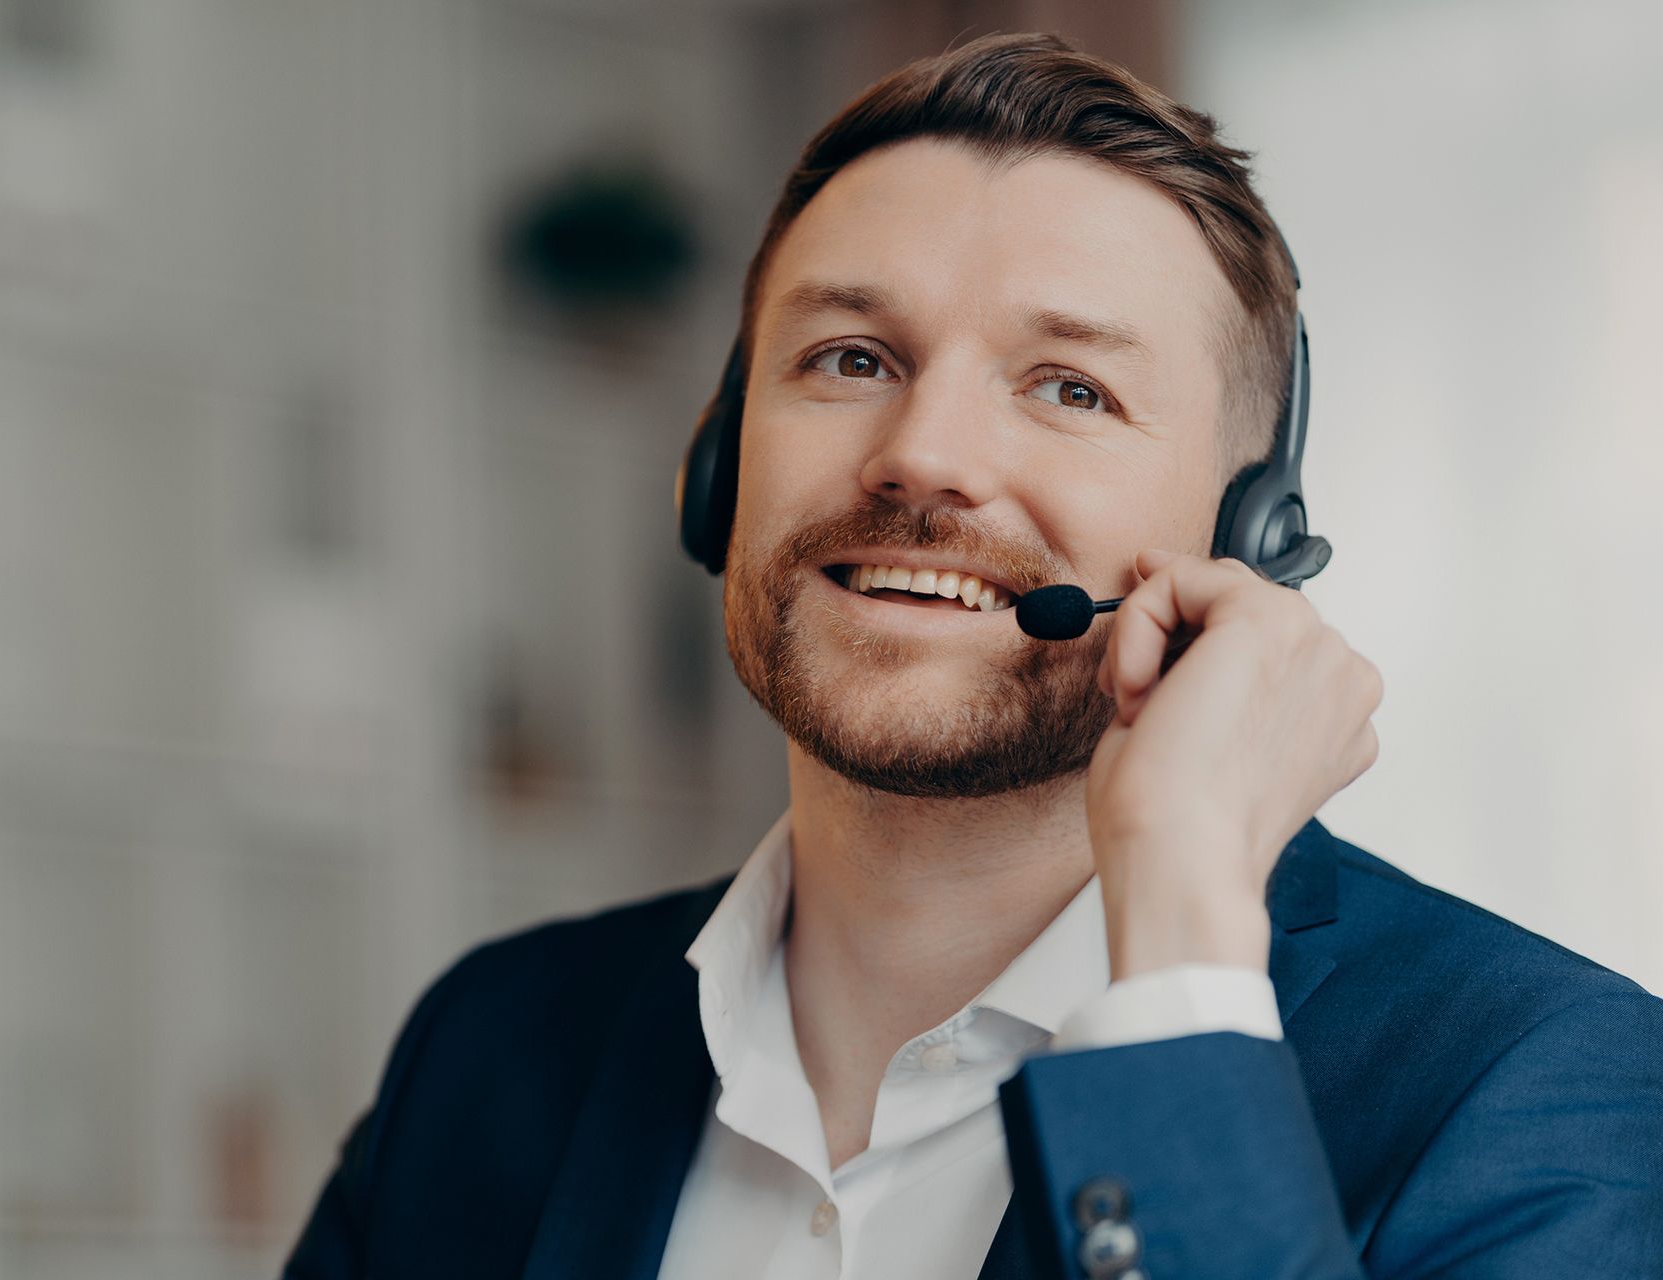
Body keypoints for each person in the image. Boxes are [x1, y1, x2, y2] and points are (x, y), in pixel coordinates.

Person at [283, 32, 1663, 1280]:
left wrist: (1180, 953)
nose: (924, 456)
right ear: (719, 469)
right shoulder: (491, 1049)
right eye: (849, 358)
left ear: (1248, 544)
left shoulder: (1537, 1091)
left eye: (1072, 387)